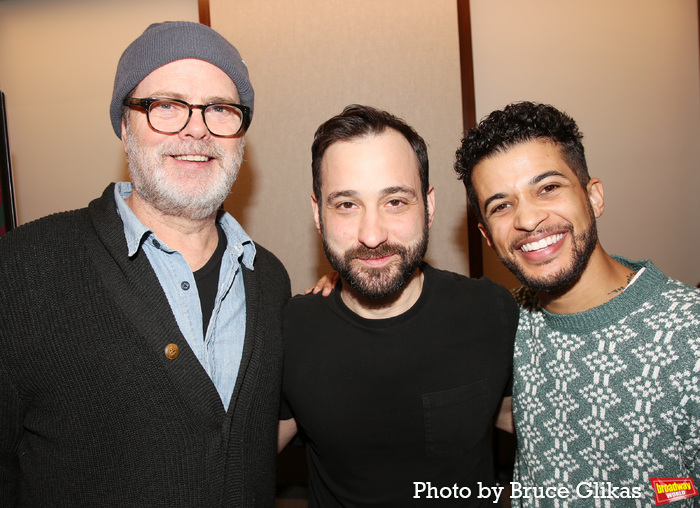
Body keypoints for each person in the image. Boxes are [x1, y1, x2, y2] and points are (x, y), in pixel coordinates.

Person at [0, 21, 290, 507]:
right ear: (123, 123)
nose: (196, 129)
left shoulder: (270, 281)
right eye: (168, 106)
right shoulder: (22, 271)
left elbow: (254, 438)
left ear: (240, 135)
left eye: (220, 109)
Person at [454, 101, 700, 506]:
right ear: (486, 235)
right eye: (501, 205)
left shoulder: (687, 332)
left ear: (594, 197)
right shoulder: (502, 319)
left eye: (548, 188)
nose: (528, 219)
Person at [278, 105, 519, 507]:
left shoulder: (490, 312)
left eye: (395, 202)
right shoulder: (290, 332)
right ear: (317, 214)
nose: (372, 235)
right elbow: (234, 460)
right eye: (346, 205)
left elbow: (551, 430)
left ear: (429, 206)